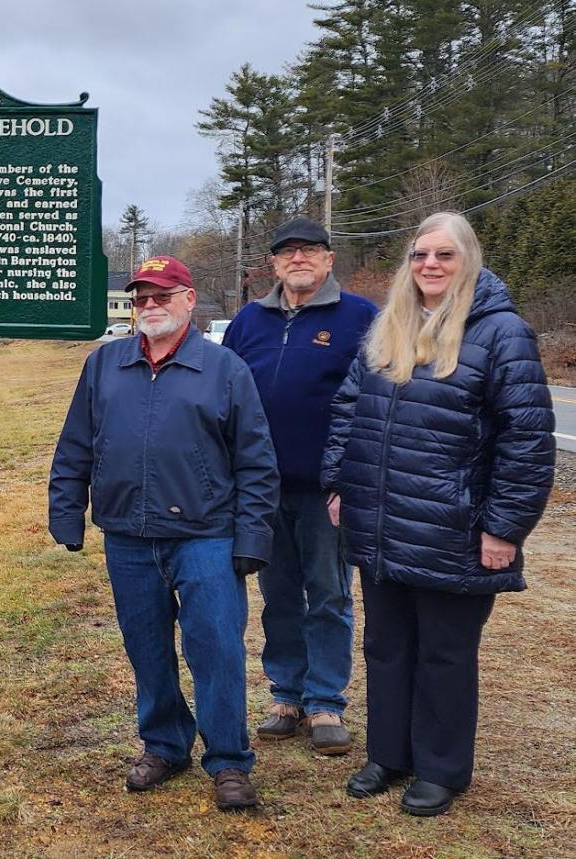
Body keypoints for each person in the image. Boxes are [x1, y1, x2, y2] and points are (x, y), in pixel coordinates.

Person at [323, 212, 554, 817]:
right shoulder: (388, 325)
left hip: (455, 527)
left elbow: (527, 441)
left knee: (444, 654)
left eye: (445, 255)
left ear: (468, 260)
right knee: (386, 645)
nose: (430, 265)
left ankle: (440, 768)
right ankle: (389, 754)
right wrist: (339, 483)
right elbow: (350, 410)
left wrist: (505, 527)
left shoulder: (502, 333)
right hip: (380, 521)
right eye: (420, 255)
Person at [49, 255, 279, 810]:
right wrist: (66, 512)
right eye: (141, 299)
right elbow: (76, 444)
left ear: (189, 299)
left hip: (207, 536)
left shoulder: (225, 369)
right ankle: (164, 743)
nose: (150, 306)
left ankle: (228, 760)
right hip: (128, 534)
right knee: (147, 648)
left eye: (161, 295)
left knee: (217, 649)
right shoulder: (105, 365)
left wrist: (253, 538)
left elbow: (256, 462)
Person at [222, 217, 377, 755]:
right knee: (278, 593)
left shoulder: (359, 317)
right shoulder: (248, 321)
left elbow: (374, 403)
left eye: (310, 250)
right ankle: (286, 694)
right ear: (274, 264)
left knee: (330, 592)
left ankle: (325, 700)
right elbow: (226, 398)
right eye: (287, 253)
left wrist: (352, 477)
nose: (299, 259)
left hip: (327, 489)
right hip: (261, 489)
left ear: (329, 259)